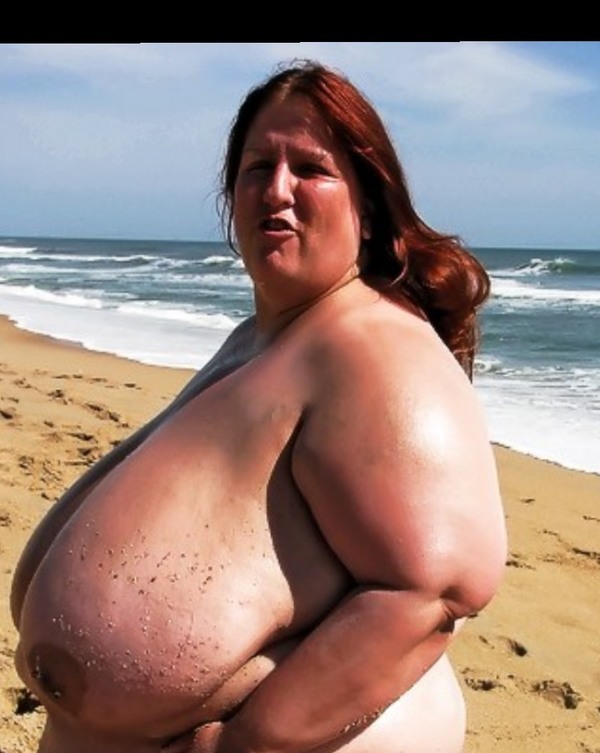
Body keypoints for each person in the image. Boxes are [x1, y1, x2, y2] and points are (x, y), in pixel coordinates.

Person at [10, 59, 507, 753]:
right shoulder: (266, 335)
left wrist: (245, 743)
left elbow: (435, 589)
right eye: (256, 168)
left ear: (368, 209)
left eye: (310, 169)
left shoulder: (375, 351)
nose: (277, 189)